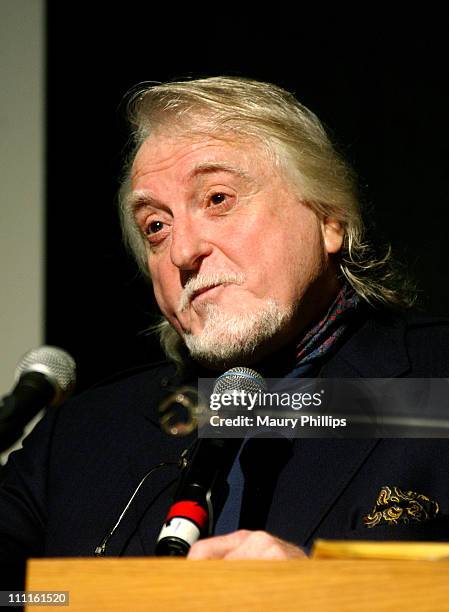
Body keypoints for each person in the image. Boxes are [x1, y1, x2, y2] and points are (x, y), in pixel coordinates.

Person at [0, 77, 448, 572]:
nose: (184, 251)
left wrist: (333, 591)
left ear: (330, 220)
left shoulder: (437, 384)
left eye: (217, 199)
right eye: (156, 226)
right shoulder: (81, 440)